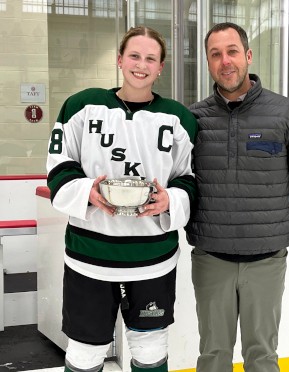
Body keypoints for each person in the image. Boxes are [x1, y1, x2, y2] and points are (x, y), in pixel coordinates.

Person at [46, 26, 197, 372]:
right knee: (85, 352)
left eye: (150, 58)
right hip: (89, 258)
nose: (140, 65)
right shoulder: (80, 106)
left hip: (153, 259)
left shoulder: (179, 118)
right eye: (134, 56)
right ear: (119, 59)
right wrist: (89, 192)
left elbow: (189, 180)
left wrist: (170, 201)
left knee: (150, 347)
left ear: (161, 67)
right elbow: (58, 169)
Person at [185, 22, 289, 372]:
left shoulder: (287, 114)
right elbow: (180, 183)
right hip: (211, 258)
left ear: (247, 55)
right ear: (208, 62)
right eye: (215, 54)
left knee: (262, 356)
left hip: (266, 259)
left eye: (232, 51)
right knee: (212, 356)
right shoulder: (193, 119)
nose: (225, 61)